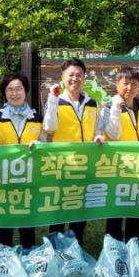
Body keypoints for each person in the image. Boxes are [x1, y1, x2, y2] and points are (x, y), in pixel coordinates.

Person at [43, 58, 104, 245]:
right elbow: (49, 127)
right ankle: (55, 247)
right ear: (63, 77)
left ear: (84, 77)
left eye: (79, 75)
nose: (75, 78)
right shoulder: (56, 100)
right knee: (59, 210)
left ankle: (76, 247)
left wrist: (98, 137)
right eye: (71, 75)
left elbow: (97, 129)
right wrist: (52, 101)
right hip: (62, 165)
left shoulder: (92, 103)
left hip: (85, 165)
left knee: (80, 210)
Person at [0, 72, 44, 248]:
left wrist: (39, 145)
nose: (14, 93)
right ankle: (5, 258)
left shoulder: (37, 118)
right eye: (10, 89)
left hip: (29, 179)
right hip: (3, 178)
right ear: (5, 93)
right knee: (5, 224)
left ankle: (28, 255)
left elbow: (45, 144)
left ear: (26, 91)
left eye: (19, 89)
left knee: (28, 224)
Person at [101, 66, 139, 242]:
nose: (129, 88)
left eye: (134, 84)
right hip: (118, 166)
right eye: (125, 83)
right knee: (116, 207)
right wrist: (116, 108)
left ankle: (133, 240)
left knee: (135, 205)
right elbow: (113, 134)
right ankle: (114, 243)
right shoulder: (108, 108)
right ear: (117, 84)